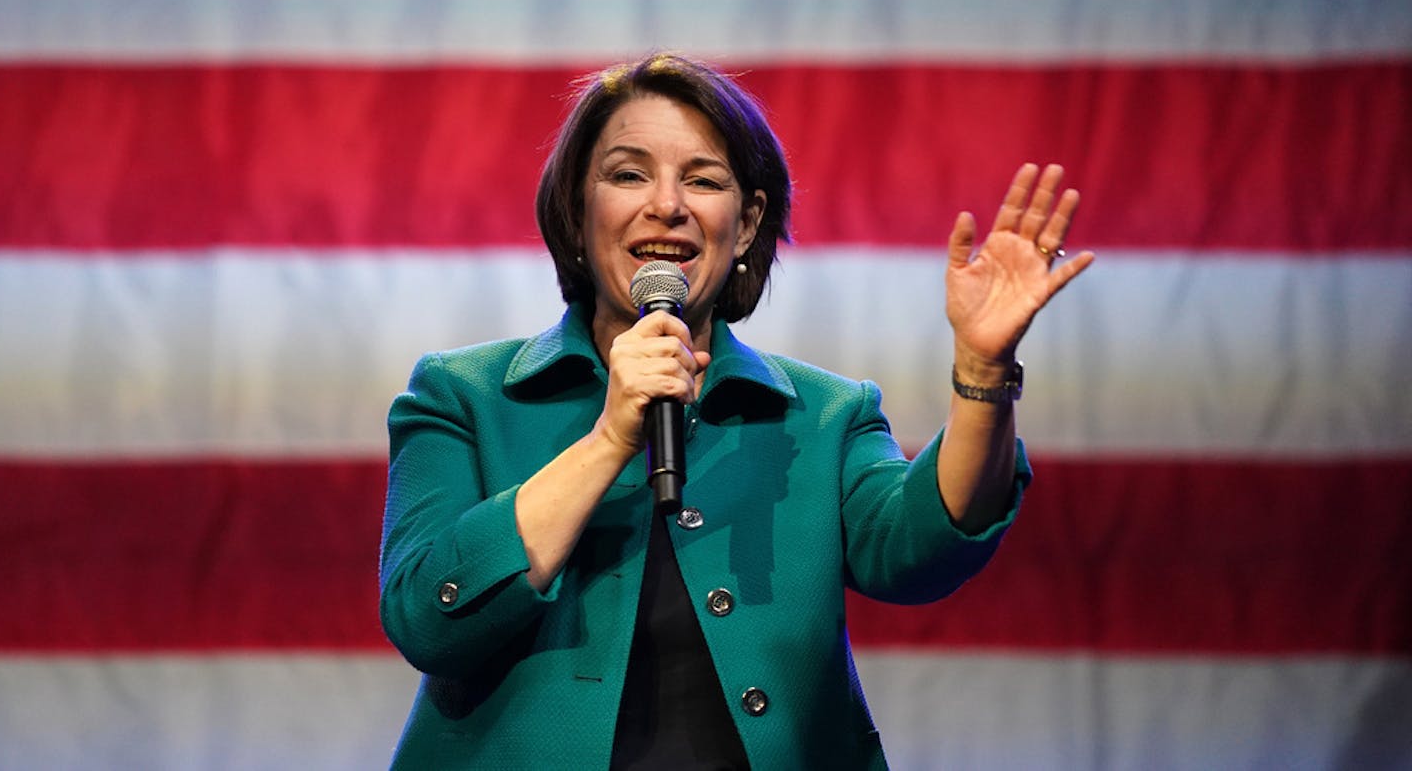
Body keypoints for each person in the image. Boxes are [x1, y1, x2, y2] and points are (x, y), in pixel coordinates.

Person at [379, 52, 1094, 769]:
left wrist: (982, 369)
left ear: (747, 223)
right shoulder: (461, 395)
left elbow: (922, 554)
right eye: (629, 175)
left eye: (703, 179)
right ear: (576, 208)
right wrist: (607, 440)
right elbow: (426, 620)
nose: (667, 204)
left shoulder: (823, 417)